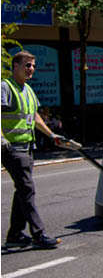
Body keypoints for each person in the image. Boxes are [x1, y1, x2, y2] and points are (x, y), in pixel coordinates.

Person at [2, 51, 65, 249]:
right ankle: (39, 234)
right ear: (15, 66)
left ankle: (15, 234)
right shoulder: (5, 87)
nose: (31, 69)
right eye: (27, 65)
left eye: (33, 66)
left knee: (22, 190)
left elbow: (35, 117)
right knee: (27, 189)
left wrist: (51, 135)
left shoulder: (28, 90)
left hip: (27, 147)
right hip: (11, 147)